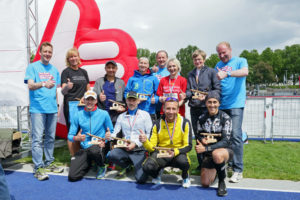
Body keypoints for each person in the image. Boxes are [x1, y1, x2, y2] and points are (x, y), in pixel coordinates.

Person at [24, 42, 63, 181]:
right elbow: (30, 85)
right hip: (38, 109)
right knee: (37, 139)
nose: (47, 54)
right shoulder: (32, 67)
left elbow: (55, 90)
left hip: (51, 109)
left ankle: (49, 162)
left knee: (50, 138)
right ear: (40, 52)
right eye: (45, 51)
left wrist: (57, 106)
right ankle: (38, 167)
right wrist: (43, 83)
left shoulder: (54, 69)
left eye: (50, 52)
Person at [139, 98, 192, 188]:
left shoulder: (185, 122)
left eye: (173, 108)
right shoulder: (157, 123)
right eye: (168, 108)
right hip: (161, 153)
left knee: (184, 162)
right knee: (147, 167)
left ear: (178, 110)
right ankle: (157, 173)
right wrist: (145, 142)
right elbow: (152, 147)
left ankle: (185, 176)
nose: (171, 111)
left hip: (177, 153)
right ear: (163, 109)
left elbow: (188, 146)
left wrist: (175, 151)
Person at [215, 41, 248, 183]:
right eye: (219, 53)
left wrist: (227, 74)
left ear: (230, 49)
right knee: (224, 137)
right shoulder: (217, 65)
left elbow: (245, 72)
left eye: (224, 52)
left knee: (235, 135)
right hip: (222, 105)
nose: (222, 55)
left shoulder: (240, 61)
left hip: (236, 104)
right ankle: (227, 163)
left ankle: (238, 169)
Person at [105, 91, 152, 183]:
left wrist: (136, 143)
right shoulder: (121, 116)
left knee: (141, 180)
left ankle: (140, 162)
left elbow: (149, 134)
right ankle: (126, 166)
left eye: (134, 100)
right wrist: (109, 136)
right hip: (125, 148)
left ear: (138, 101)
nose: (131, 102)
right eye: (129, 100)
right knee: (111, 155)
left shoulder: (145, 115)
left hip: (139, 149)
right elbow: (115, 133)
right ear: (126, 101)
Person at [186, 49, 221, 172]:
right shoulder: (190, 74)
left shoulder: (211, 72)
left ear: (204, 60)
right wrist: (185, 95)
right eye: (195, 59)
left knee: (210, 134)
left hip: (207, 109)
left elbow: (217, 89)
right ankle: (201, 163)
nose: (197, 61)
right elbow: (188, 90)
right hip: (194, 108)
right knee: (198, 136)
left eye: (199, 59)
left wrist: (206, 97)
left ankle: (213, 162)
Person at [67, 90, 114, 181]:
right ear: (83, 100)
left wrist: (105, 140)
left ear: (96, 101)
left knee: (94, 151)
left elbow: (111, 131)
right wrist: (77, 138)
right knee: (73, 176)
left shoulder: (104, 114)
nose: (89, 102)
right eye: (87, 99)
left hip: (99, 145)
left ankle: (101, 165)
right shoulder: (77, 115)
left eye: (92, 99)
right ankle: (88, 164)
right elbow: (70, 136)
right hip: (85, 148)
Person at [195, 91, 232, 196]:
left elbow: (226, 141)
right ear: (206, 103)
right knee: (205, 183)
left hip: (224, 151)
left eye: (215, 102)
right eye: (209, 102)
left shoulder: (226, 118)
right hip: (209, 154)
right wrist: (202, 140)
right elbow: (198, 135)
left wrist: (206, 148)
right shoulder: (201, 118)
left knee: (217, 154)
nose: (212, 105)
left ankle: (222, 181)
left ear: (219, 103)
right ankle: (218, 168)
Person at [61, 48, 90, 156]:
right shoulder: (66, 72)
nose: (73, 58)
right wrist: (67, 87)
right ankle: (74, 158)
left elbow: (88, 89)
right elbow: (63, 91)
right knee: (73, 132)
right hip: (71, 105)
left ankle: (83, 156)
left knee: (83, 130)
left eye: (75, 56)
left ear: (78, 57)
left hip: (83, 105)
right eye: (71, 57)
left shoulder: (84, 72)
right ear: (68, 59)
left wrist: (86, 97)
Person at [124, 57, 159, 121]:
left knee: (150, 130)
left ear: (148, 65)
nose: (143, 65)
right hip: (134, 110)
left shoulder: (154, 78)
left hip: (149, 111)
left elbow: (158, 93)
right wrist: (131, 100)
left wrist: (156, 99)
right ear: (138, 64)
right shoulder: (132, 79)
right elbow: (126, 93)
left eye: (145, 63)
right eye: (141, 63)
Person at [93, 60, 125, 125]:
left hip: (116, 115)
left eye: (113, 67)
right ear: (105, 68)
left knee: (115, 134)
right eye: (109, 67)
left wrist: (122, 107)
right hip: (102, 114)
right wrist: (99, 97)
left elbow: (125, 98)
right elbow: (93, 96)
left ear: (116, 69)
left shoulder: (121, 82)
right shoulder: (99, 81)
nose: (111, 69)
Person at [152, 50, 169, 120]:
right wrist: (150, 71)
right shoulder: (152, 71)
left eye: (163, 57)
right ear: (156, 59)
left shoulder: (171, 70)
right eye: (159, 58)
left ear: (167, 58)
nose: (161, 59)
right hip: (154, 106)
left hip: (167, 106)